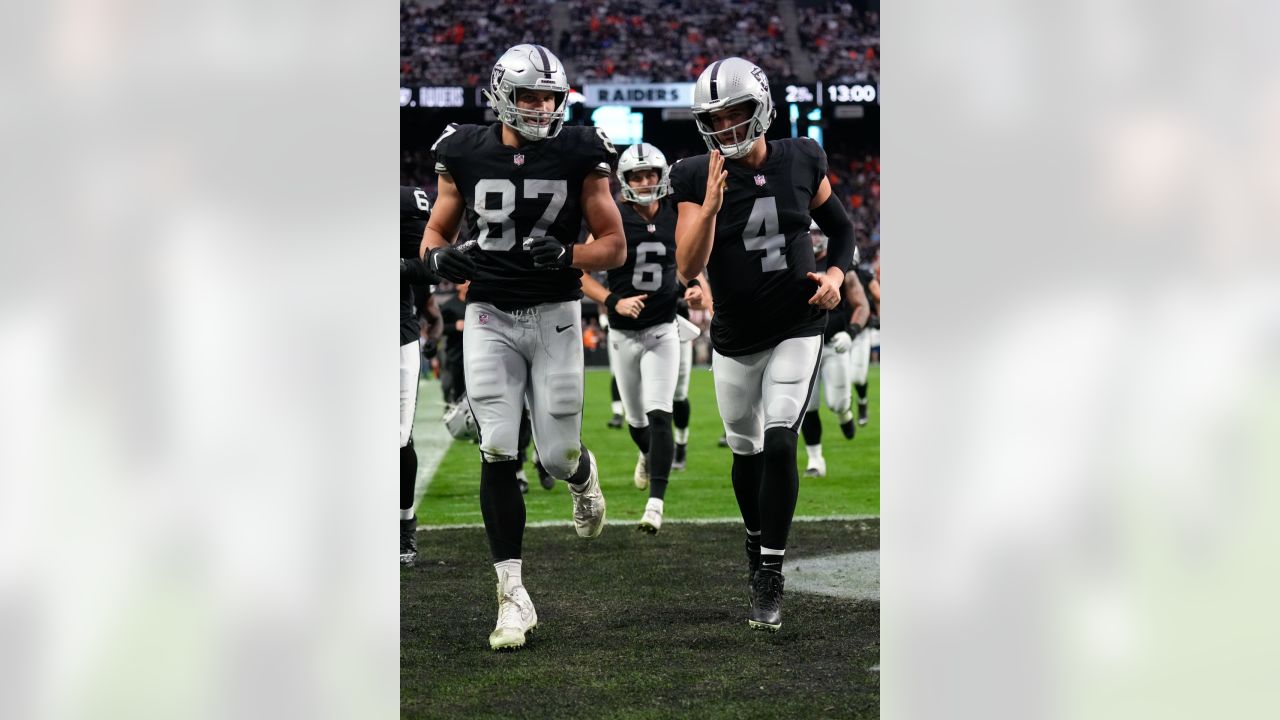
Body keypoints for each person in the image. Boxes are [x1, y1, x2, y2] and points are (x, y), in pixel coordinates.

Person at [420, 44, 625, 651]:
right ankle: (512, 595)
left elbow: (612, 245)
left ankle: (582, 476)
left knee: (557, 455)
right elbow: (438, 230)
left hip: (557, 313)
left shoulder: (581, 148)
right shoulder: (462, 149)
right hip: (488, 312)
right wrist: (438, 257)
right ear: (502, 94)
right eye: (530, 96)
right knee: (497, 447)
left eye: (549, 97)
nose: (540, 108)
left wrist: (571, 254)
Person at [670, 57, 857, 632]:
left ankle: (770, 571)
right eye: (715, 118)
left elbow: (843, 229)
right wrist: (709, 207)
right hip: (733, 336)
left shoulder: (802, 156)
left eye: (738, 114)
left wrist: (835, 276)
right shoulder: (694, 173)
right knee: (745, 451)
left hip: (796, 324)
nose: (727, 129)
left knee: (780, 442)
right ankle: (755, 542)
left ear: (764, 107)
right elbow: (687, 264)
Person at [580, 142, 682, 533]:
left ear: (661, 177)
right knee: (637, 422)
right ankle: (646, 454)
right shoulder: (614, 217)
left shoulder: (676, 214)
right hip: (623, 333)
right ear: (625, 180)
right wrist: (612, 300)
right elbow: (580, 271)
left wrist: (694, 284)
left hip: (662, 329)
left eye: (649, 174)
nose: (643, 181)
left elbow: (689, 258)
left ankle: (655, 504)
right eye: (636, 176)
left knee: (660, 414)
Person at [800, 221, 872, 477]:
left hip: (833, 344)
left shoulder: (839, 265)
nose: (814, 238)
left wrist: (851, 333)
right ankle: (815, 460)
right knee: (808, 405)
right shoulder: (794, 260)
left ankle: (845, 413)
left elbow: (862, 304)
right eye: (811, 233)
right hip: (803, 343)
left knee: (837, 402)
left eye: (819, 232)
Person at [400, 185, 438, 566]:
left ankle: (404, 523)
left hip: (396, 334)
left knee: (396, 439)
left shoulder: (405, 202)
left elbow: (428, 263)